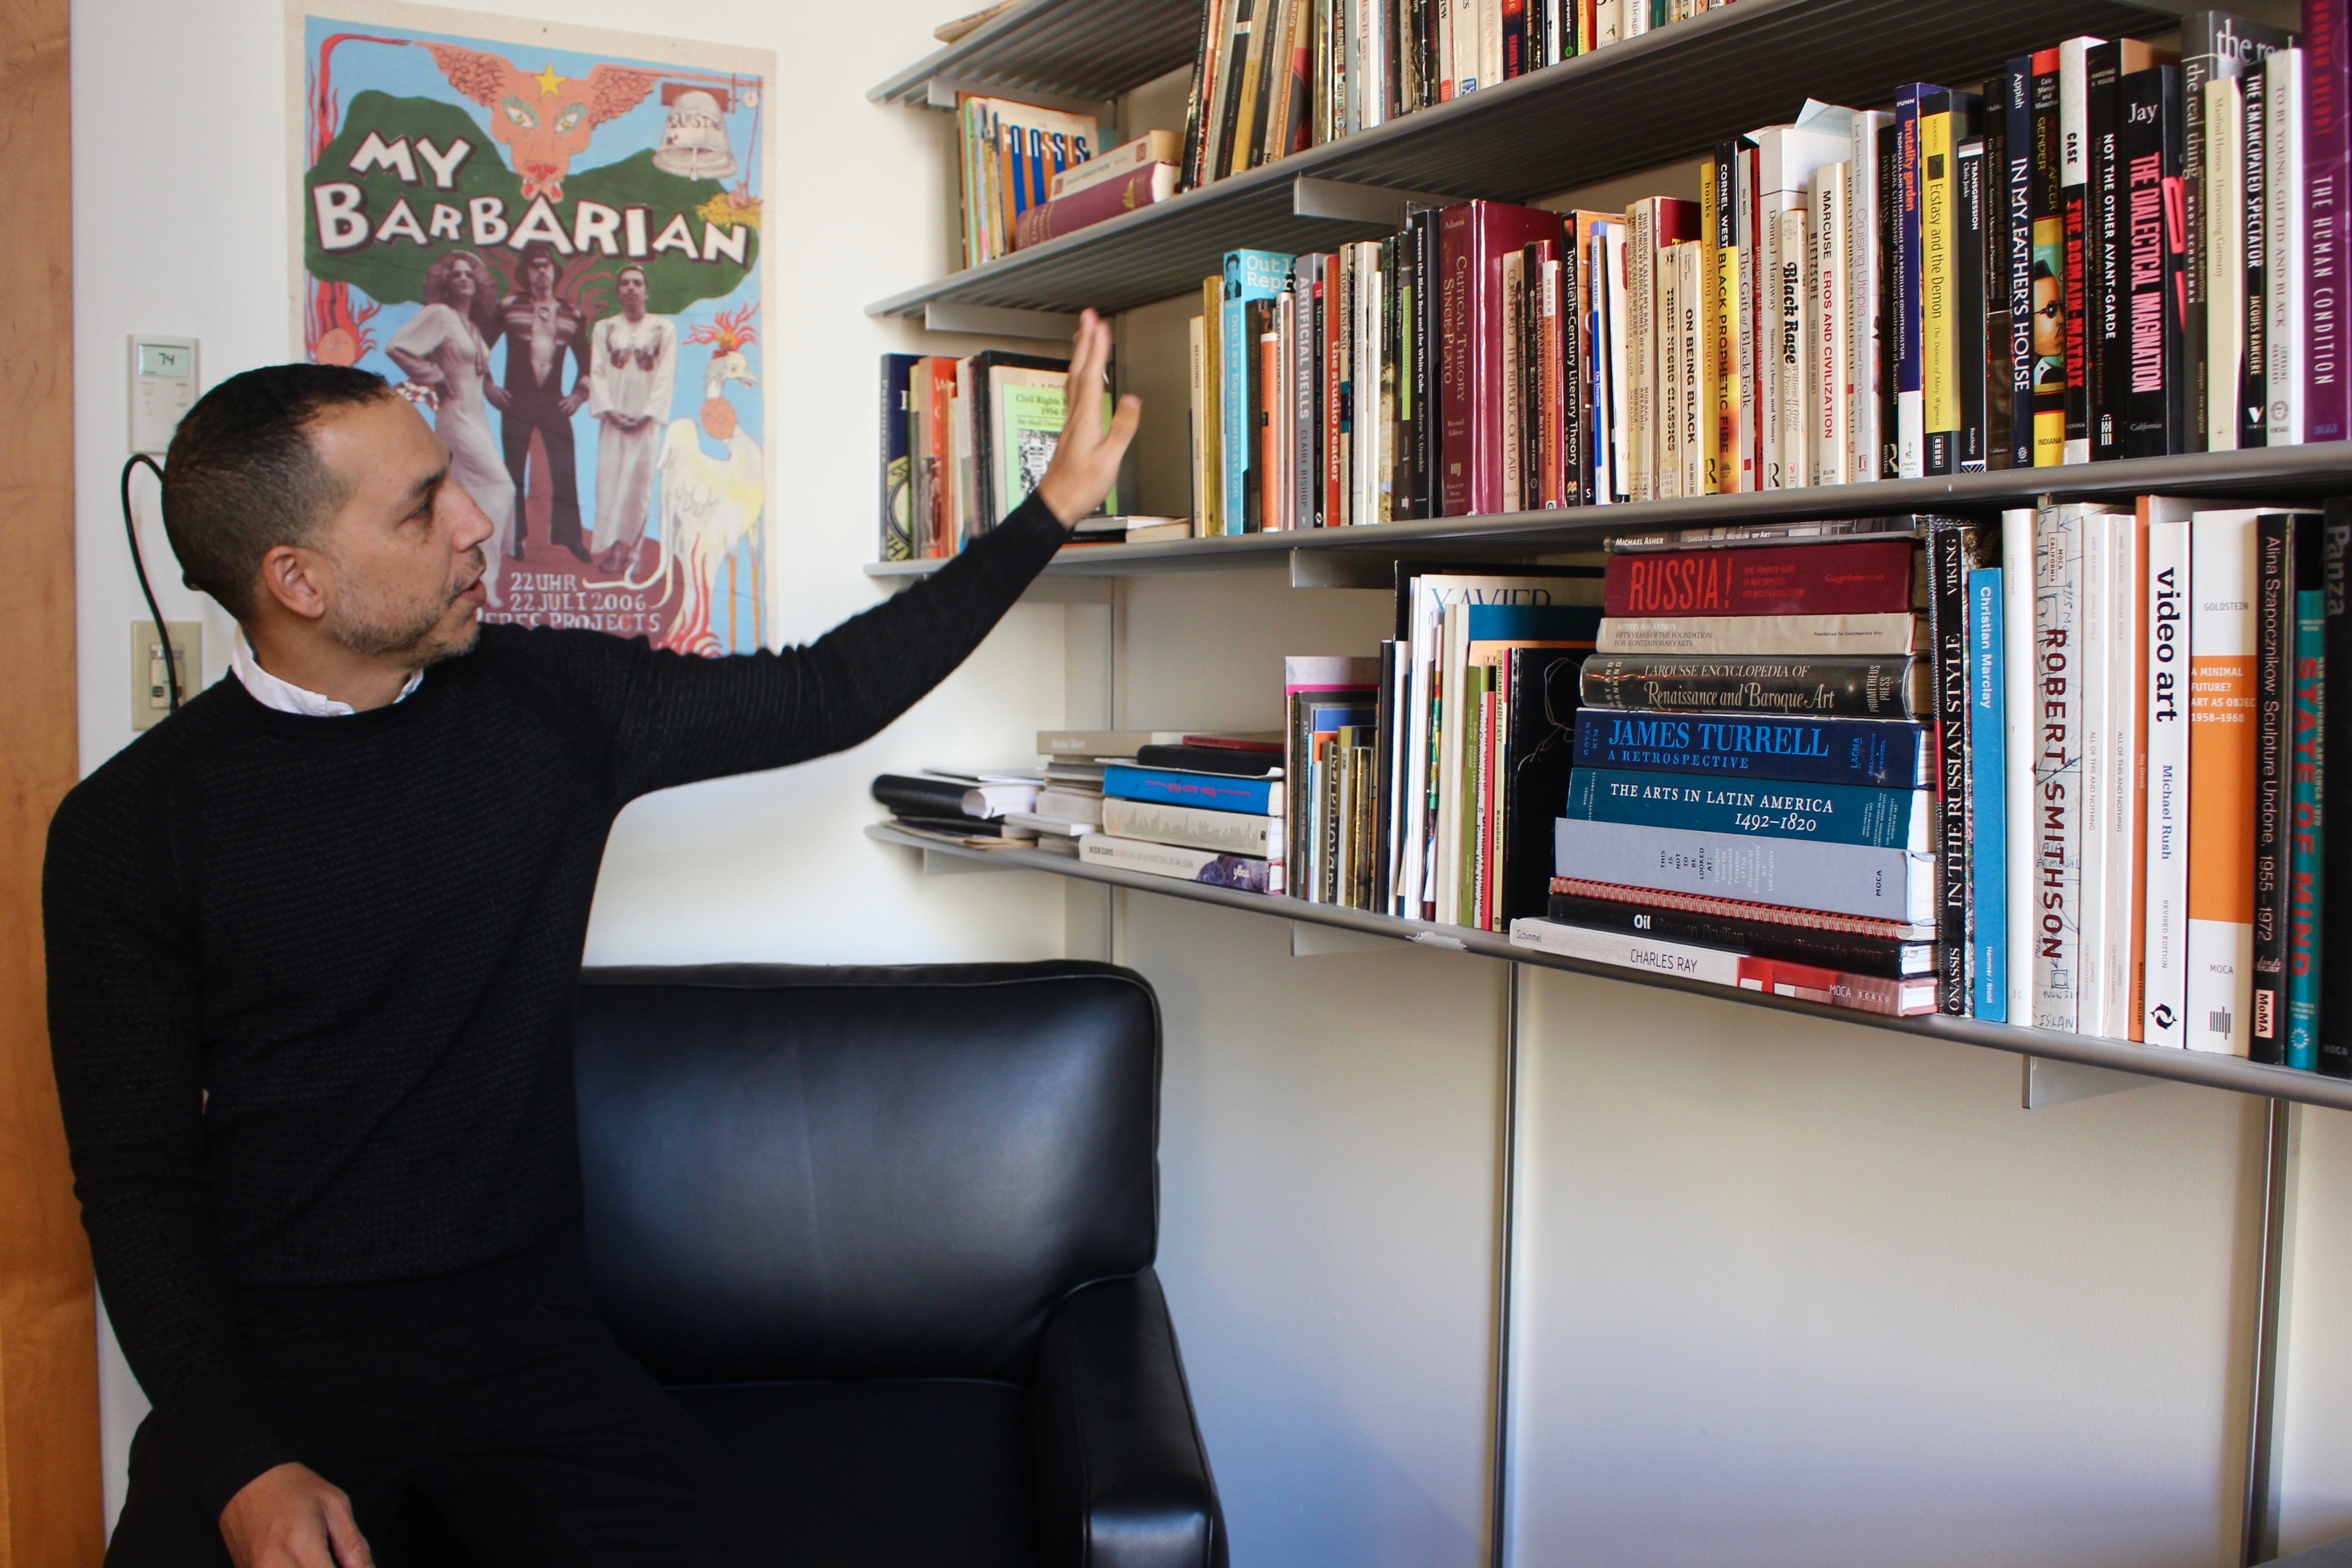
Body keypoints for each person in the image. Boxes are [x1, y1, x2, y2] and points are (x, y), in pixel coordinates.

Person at [47, 313, 1137, 1568]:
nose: (476, 521)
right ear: (297, 581)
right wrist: (240, 1464)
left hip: (527, 1348)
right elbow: (135, 1179)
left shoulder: (548, 706)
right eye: (421, 508)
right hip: (275, 1370)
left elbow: (823, 692)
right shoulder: (129, 829)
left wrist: (1049, 510)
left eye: (452, 482)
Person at [385, 251, 515, 609]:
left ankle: (465, 581)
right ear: (445, 284)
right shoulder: (440, 315)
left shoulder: (469, 324)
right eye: (456, 275)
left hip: (478, 417)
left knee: (467, 497)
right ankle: (486, 578)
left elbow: (476, 366)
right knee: (500, 486)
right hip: (456, 416)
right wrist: (435, 376)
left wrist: (492, 387)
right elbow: (397, 347)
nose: (463, 279)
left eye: (469, 275)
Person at [489, 239, 592, 563]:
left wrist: (579, 395)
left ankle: (571, 538)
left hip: (553, 400)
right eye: (535, 267)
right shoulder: (509, 307)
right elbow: (476, 348)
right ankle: (513, 538)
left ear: (554, 271)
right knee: (513, 470)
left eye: (546, 266)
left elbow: (588, 363)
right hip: (516, 399)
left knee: (565, 467)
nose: (541, 272)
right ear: (526, 272)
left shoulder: (572, 314)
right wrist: (488, 385)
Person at [585, 266, 676, 576]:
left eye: (638, 283)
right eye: (625, 283)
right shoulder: (605, 328)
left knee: (640, 486)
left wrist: (648, 413)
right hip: (614, 418)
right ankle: (614, 550)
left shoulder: (664, 328)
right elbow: (597, 372)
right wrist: (610, 411)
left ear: (646, 292)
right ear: (618, 292)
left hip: (646, 421)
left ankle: (635, 553)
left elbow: (666, 374)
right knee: (610, 484)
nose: (631, 288)